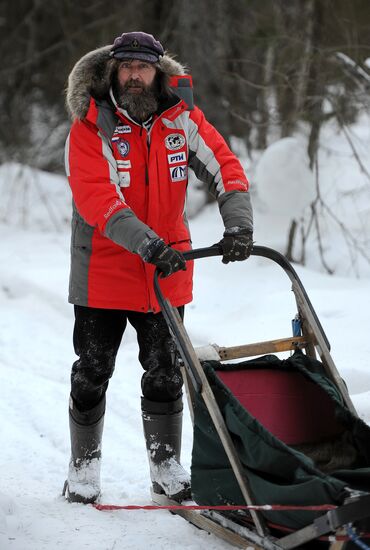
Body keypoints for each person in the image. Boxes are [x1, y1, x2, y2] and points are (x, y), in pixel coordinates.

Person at [63, 31, 253, 504]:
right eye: (125, 66)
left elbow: (225, 166)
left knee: (166, 372)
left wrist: (239, 224)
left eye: (142, 67)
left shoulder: (181, 120)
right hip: (104, 272)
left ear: (158, 71)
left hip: (167, 272)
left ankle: (166, 467)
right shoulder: (92, 125)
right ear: (113, 70)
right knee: (92, 370)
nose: (133, 75)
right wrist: (147, 243)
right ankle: (82, 469)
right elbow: (99, 201)